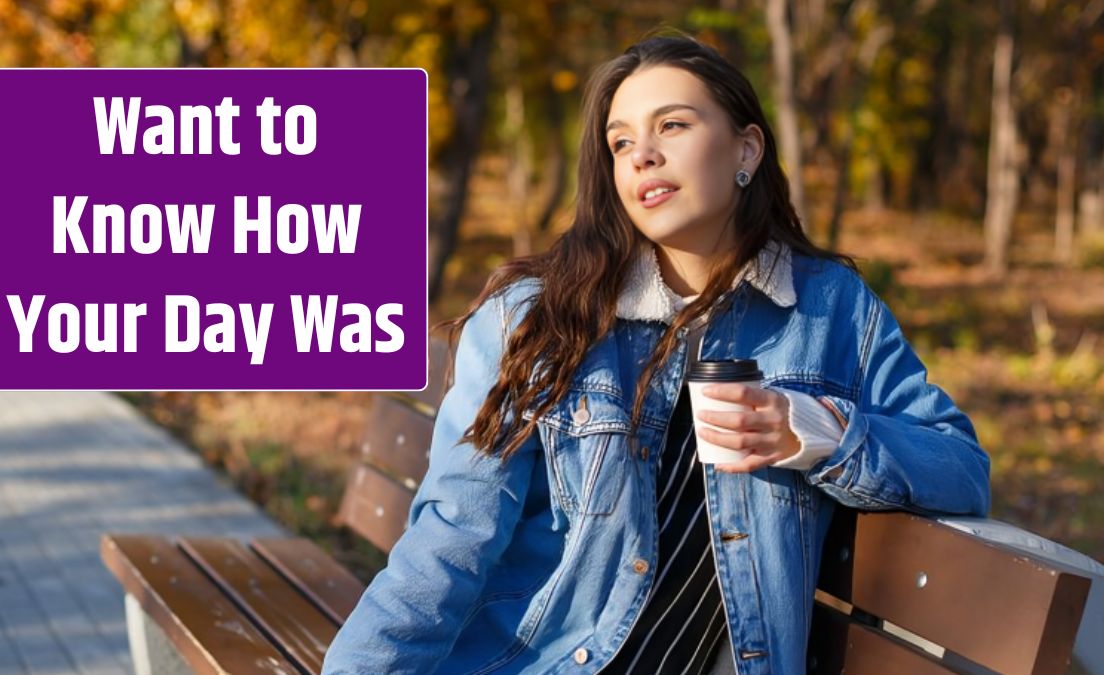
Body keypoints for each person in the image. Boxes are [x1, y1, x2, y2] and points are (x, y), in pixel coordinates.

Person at [321, 35, 990, 675]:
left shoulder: (830, 309)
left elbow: (960, 464)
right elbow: (451, 538)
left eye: (672, 125)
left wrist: (815, 431)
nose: (641, 155)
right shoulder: (537, 316)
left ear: (746, 150)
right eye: (621, 141)